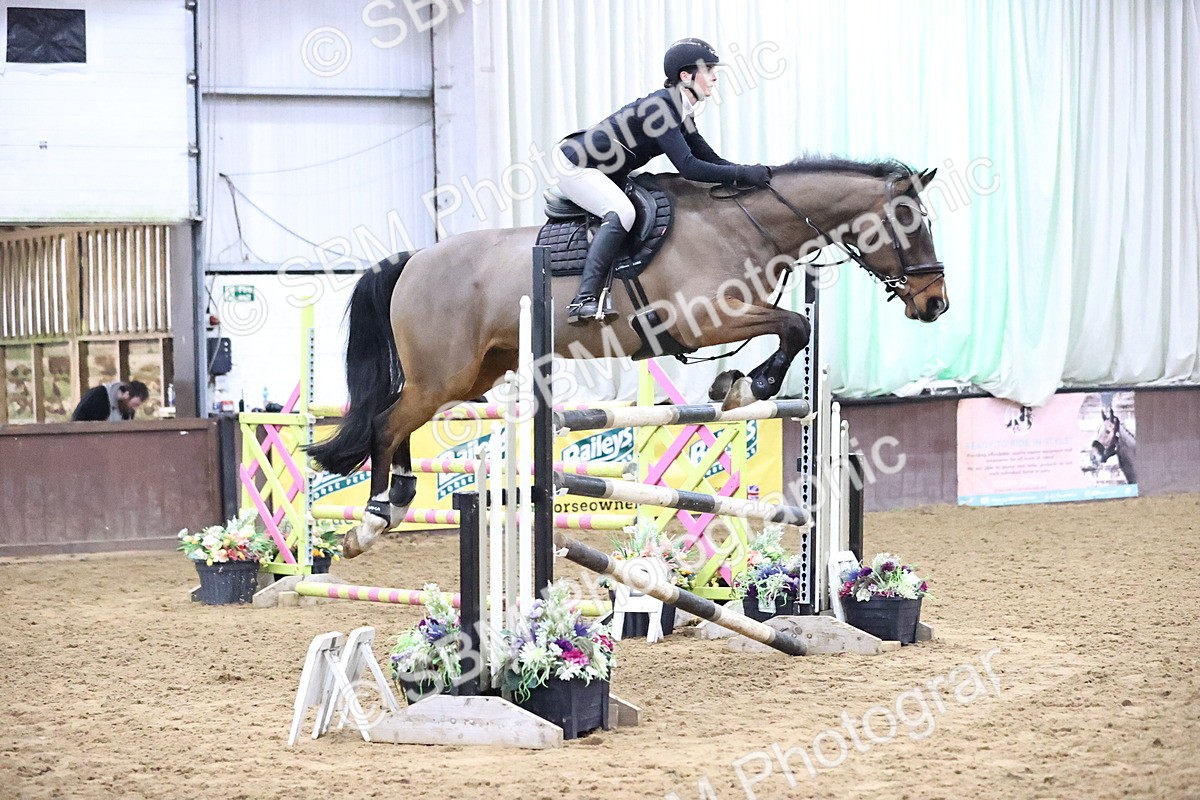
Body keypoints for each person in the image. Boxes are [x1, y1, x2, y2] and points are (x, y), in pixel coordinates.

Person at [555, 37, 772, 324]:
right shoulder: (661, 109)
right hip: (577, 165)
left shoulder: (680, 110)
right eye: (708, 70)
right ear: (686, 76)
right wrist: (741, 174)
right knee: (622, 211)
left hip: (607, 168)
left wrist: (749, 174)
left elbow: (709, 158)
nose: (714, 77)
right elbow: (689, 167)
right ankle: (583, 299)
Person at [71, 380, 150, 422]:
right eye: (134, 404)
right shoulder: (98, 396)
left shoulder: (128, 411)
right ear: (126, 395)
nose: (134, 409)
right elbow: (77, 419)